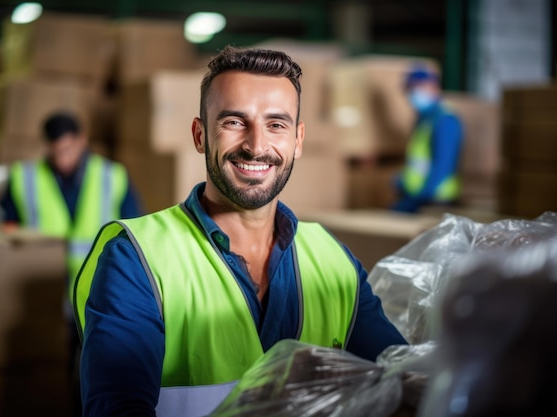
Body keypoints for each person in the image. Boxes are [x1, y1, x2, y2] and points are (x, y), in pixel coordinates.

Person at [73, 46, 407, 417]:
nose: (256, 146)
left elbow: (398, 382)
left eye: (276, 125)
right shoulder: (136, 259)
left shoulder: (332, 259)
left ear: (297, 141)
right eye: (234, 122)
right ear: (200, 136)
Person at [0, 111, 144, 416]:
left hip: (99, 288)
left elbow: (134, 229)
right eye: (54, 151)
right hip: (43, 292)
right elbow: (5, 229)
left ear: (82, 141)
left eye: (67, 149)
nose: (61, 158)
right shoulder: (24, 178)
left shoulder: (111, 176)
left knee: (94, 364)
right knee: (51, 367)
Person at [392, 64, 464, 213]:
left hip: (436, 200)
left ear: (434, 87)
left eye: (419, 87)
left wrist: (422, 196)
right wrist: (403, 181)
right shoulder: (424, 120)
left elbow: (444, 164)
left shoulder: (445, 120)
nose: (413, 94)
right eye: (410, 89)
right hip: (417, 196)